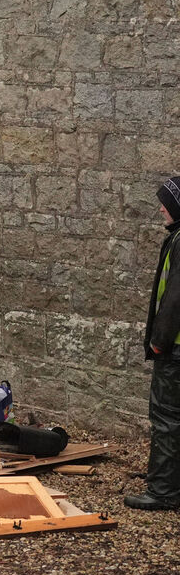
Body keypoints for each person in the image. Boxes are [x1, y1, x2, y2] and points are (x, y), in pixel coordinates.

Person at [126, 177, 180, 510]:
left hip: (174, 352)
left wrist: (159, 344)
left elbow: (175, 299)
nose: (161, 208)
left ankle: (162, 492)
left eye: (166, 202)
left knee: (167, 420)